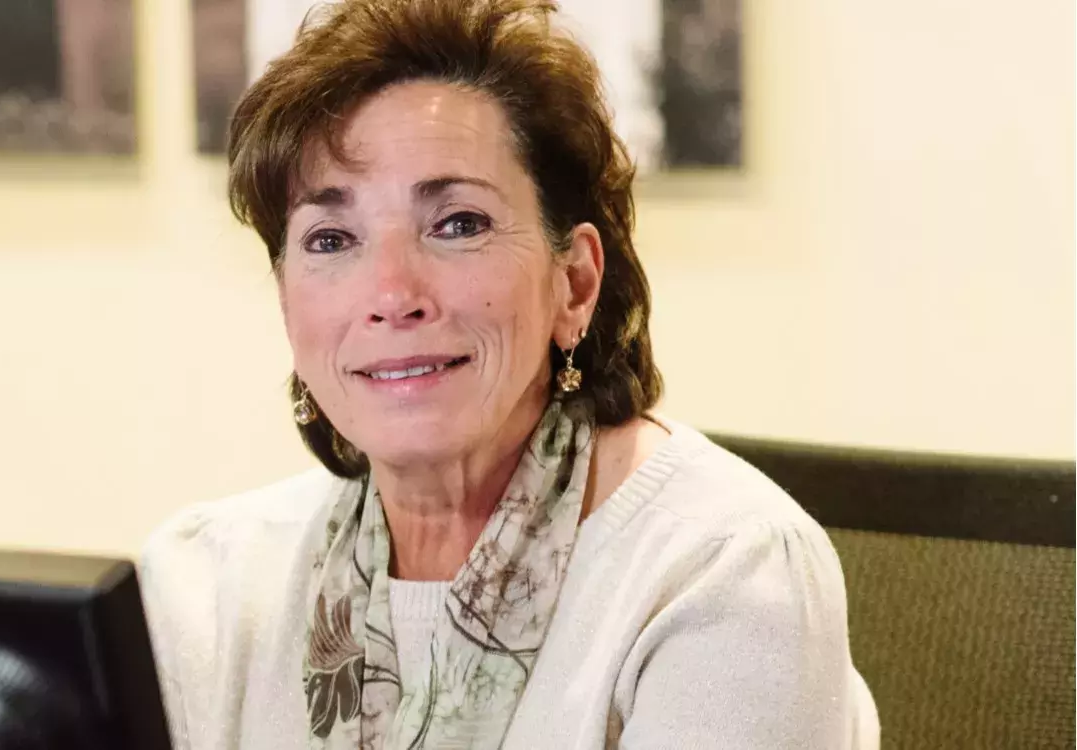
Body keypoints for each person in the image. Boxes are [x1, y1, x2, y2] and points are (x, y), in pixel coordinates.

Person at [137, 1, 878, 748]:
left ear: (575, 284)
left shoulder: (722, 574)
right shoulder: (206, 584)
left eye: (458, 223)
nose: (392, 296)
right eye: (330, 239)